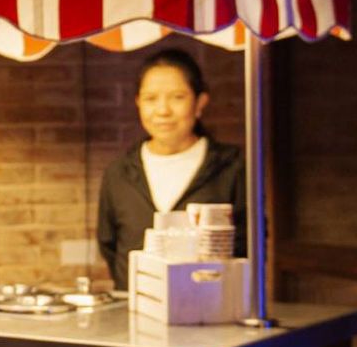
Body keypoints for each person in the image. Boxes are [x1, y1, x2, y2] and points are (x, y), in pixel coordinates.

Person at [97, 47, 246, 291]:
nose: (163, 110)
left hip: (209, 311)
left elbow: (246, 246)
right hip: (134, 313)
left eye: (177, 97)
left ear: (200, 102)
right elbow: (109, 245)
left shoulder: (231, 167)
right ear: (138, 103)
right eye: (151, 98)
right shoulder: (119, 173)